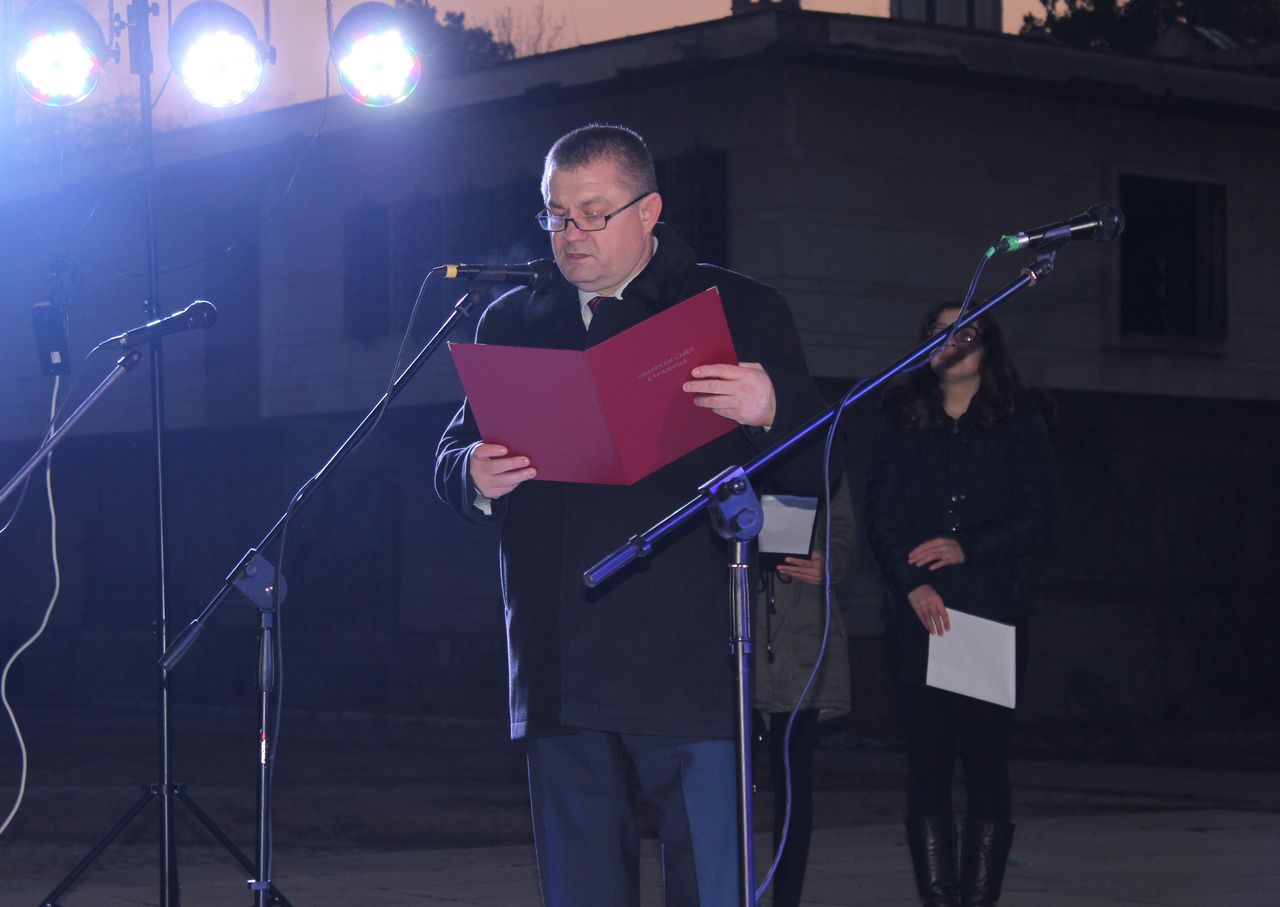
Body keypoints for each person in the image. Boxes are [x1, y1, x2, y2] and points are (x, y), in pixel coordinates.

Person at [434, 123, 831, 907]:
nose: (571, 235)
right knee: (580, 884)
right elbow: (453, 448)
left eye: (593, 213)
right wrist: (470, 470)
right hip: (557, 645)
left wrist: (772, 406)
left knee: (710, 881)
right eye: (555, 216)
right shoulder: (512, 320)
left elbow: (818, 467)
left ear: (649, 211)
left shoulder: (735, 308)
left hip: (688, 650)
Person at [864, 303, 1055, 907]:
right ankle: (939, 898)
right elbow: (881, 515)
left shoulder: (1019, 418)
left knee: (985, 763)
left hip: (986, 611)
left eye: (965, 331)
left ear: (988, 346)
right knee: (927, 764)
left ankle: (977, 899)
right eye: (938, 332)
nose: (950, 342)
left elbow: (1040, 517)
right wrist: (910, 582)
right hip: (919, 613)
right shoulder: (902, 417)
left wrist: (967, 546)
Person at [753, 475, 853, 907]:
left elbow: (843, 530)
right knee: (723, 782)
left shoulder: (817, 448)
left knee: (792, 781)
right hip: (738, 632)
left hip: (800, 639)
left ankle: (786, 898)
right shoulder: (719, 446)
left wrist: (829, 562)